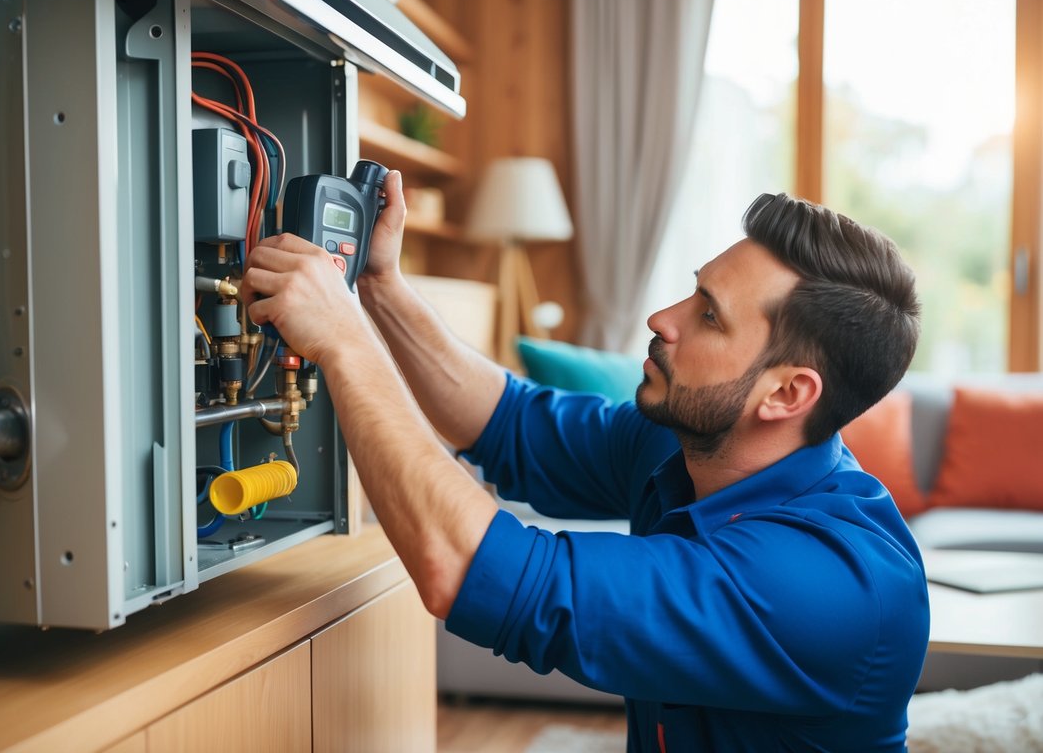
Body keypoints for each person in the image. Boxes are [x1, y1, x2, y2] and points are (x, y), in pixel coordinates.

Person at [242, 175, 929, 752]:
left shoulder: (827, 585)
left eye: (709, 317)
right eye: (693, 291)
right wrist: (379, 285)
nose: (663, 317)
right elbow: (506, 421)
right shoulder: (684, 444)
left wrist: (345, 340)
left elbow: (474, 571)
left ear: (785, 394)